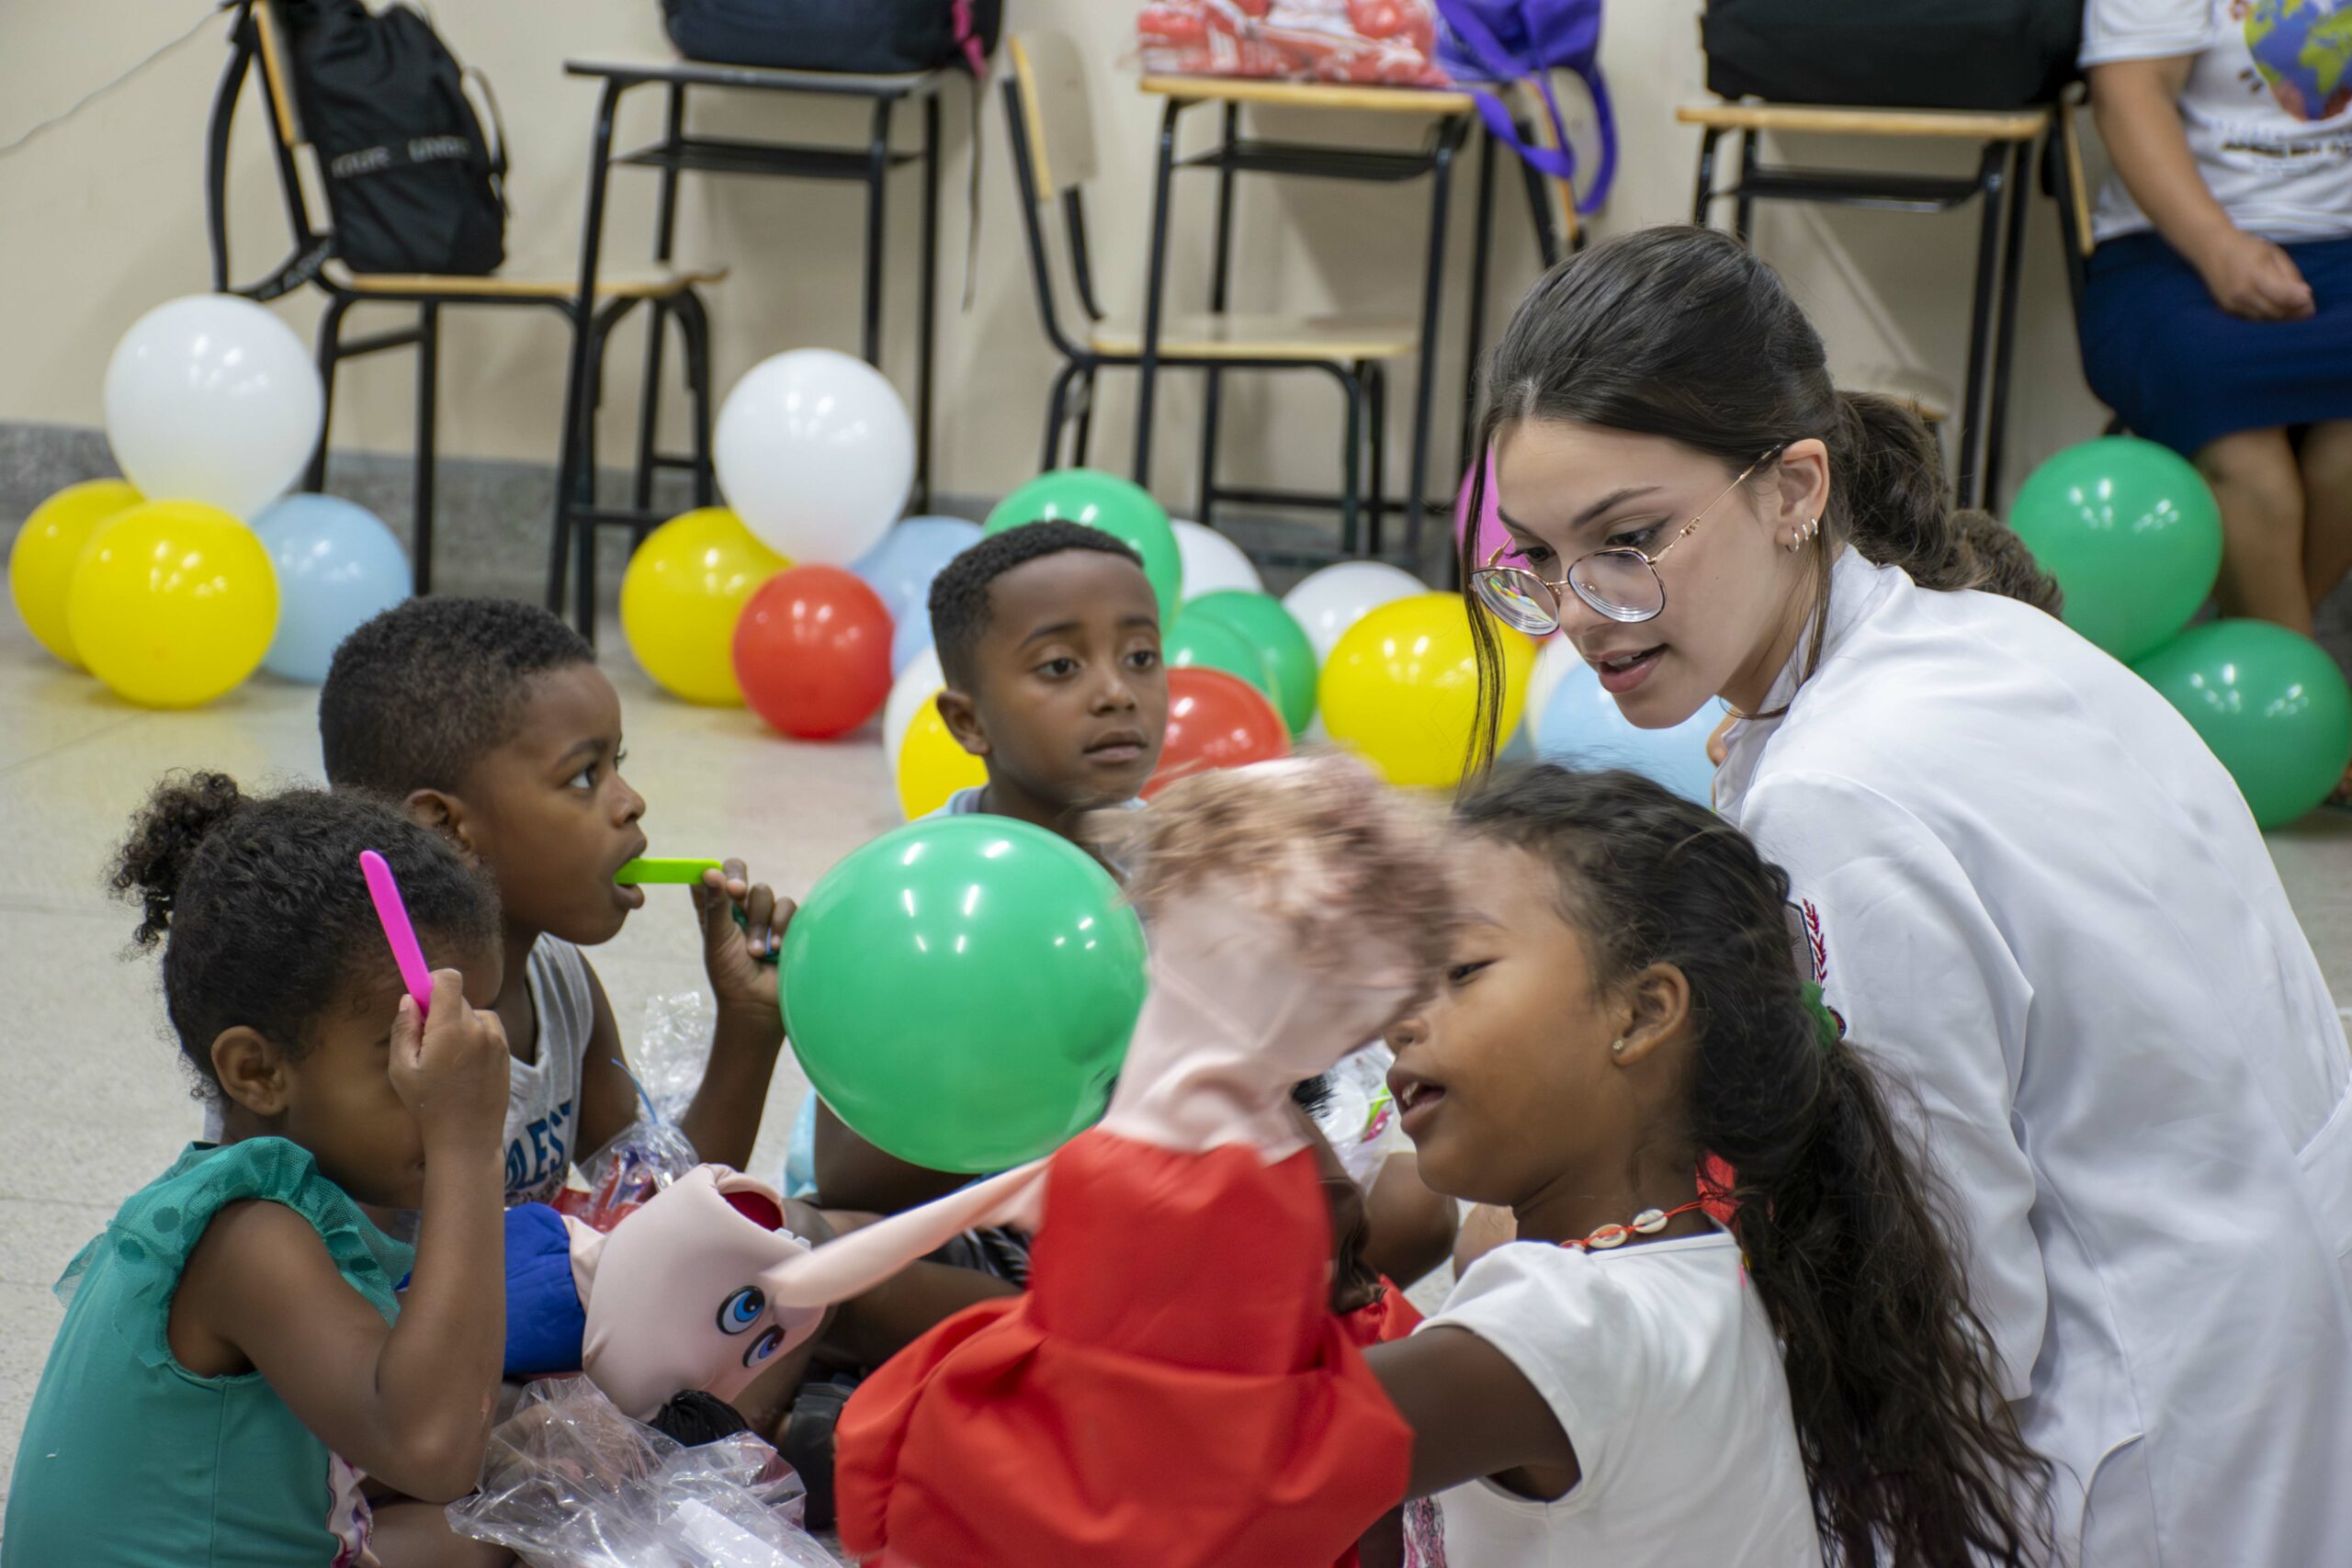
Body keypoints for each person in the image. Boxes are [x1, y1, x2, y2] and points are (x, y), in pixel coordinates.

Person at [1458, 224, 2352, 1562]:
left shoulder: (1844, 790)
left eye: (1631, 539)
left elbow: (1949, 1292)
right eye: (1535, 556)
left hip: (2144, 1446)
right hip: (2269, 1330)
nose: (1583, 611)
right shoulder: (1984, 634)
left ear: (1794, 488)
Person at [3, 776, 514, 1567]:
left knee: (521, 1513)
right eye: (408, 1052)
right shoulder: (250, 1239)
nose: (456, 1075)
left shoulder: (293, 1199)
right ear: (256, 1071)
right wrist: (467, 1147)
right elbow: (435, 1447)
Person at [316, 596, 786, 1206]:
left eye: (616, 763)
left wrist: (748, 1026)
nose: (631, 801)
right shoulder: (366, 1031)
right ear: (445, 826)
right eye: (585, 775)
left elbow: (655, 1210)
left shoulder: (559, 980)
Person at [2078, 0, 2352, 634]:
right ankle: (2294, 698)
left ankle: (2266, 670)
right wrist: (2219, 248)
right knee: (2237, 442)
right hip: (2172, 246)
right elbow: (2129, 92)